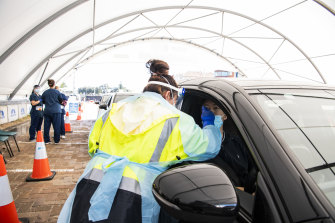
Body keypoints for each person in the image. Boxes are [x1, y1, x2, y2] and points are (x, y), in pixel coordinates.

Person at [58, 59, 221, 223]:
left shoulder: (113, 110)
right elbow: (209, 148)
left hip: (91, 184)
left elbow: (92, 148)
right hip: (133, 197)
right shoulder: (175, 119)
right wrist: (212, 124)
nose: (174, 105)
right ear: (167, 95)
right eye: (174, 100)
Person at [202, 99, 257, 193]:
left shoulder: (238, 142)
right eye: (207, 109)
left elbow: (255, 171)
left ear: (225, 116)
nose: (211, 112)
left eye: (216, 108)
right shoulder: (198, 147)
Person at [41, 79, 63, 144]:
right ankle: (56, 140)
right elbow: (61, 101)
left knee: (46, 126)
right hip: (56, 111)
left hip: (47, 111)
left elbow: (42, 101)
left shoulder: (45, 92)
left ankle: (47, 140)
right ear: (54, 84)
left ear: (48, 84)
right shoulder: (57, 92)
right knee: (56, 126)